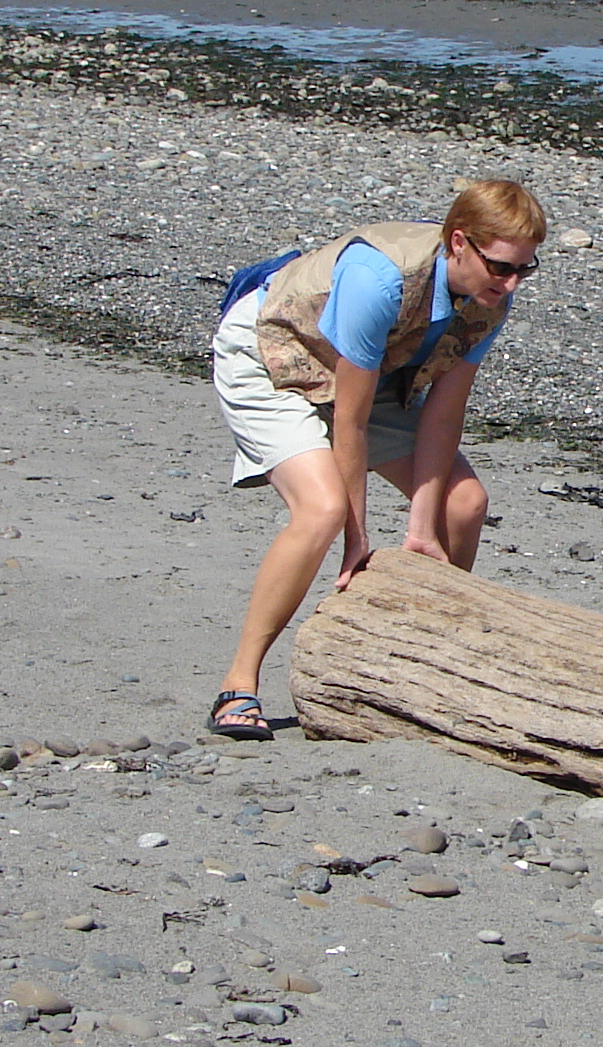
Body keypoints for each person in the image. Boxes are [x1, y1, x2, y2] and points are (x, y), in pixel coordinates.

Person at [204, 180, 547, 737]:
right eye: (502, 268)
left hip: (373, 368)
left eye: (524, 271)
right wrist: (356, 538)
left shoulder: (490, 300)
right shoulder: (380, 279)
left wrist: (421, 529)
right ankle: (238, 685)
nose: (511, 284)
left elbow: (442, 415)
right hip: (273, 353)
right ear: (459, 242)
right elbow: (351, 420)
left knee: (464, 504)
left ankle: (425, 663)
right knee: (323, 510)